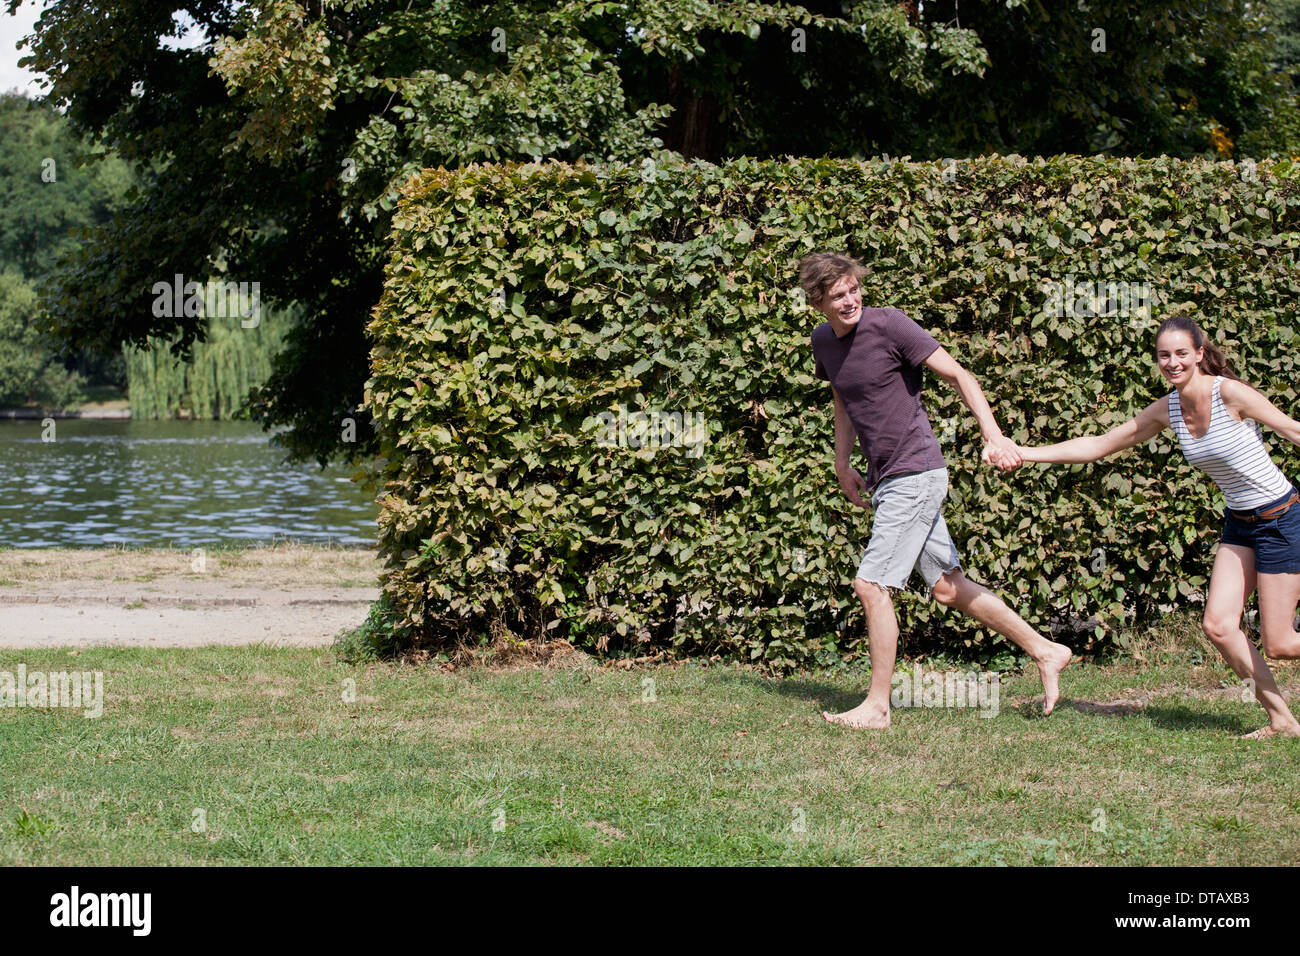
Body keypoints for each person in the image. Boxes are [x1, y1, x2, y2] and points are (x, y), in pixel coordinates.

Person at [802, 252, 1073, 729]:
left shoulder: (890, 326)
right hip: (886, 475)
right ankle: (1046, 650)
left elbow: (959, 375)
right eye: (837, 295)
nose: (849, 301)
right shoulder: (823, 341)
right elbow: (843, 397)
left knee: (871, 584)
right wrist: (843, 464)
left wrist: (993, 435)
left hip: (917, 470)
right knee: (948, 589)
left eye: (853, 289)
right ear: (818, 301)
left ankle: (878, 706)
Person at [1005, 314, 1300, 738]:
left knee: (1281, 644)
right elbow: (1098, 446)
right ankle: (1283, 720)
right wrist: (1024, 452)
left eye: (1182, 353)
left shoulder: (1230, 394)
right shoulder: (1168, 409)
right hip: (1240, 523)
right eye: (1165, 355)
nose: (1173, 362)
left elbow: (1291, 429)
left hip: (1280, 517)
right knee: (1218, 626)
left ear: (1200, 354)